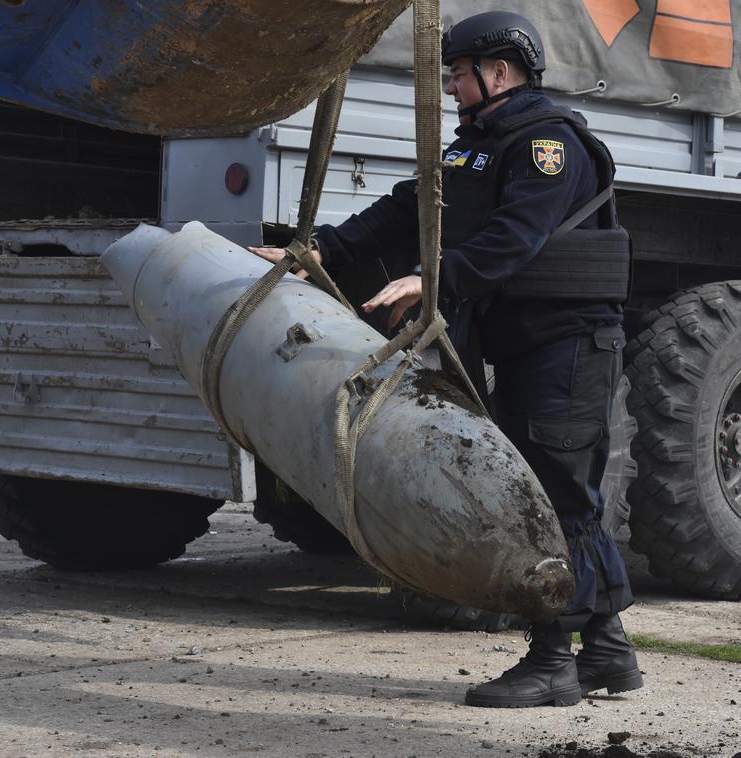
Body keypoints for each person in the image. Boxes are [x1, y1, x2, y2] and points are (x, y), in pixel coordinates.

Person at [248, 10, 639, 709]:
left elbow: (517, 236)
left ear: (499, 72)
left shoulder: (548, 144)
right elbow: (404, 211)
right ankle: (606, 652)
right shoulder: (474, 148)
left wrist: (439, 278)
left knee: (551, 497)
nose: (452, 88)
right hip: (527, 346)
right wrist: (317, 253)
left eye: (459, 75)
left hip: (569, 346)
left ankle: (553, 659)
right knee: (565, 494)